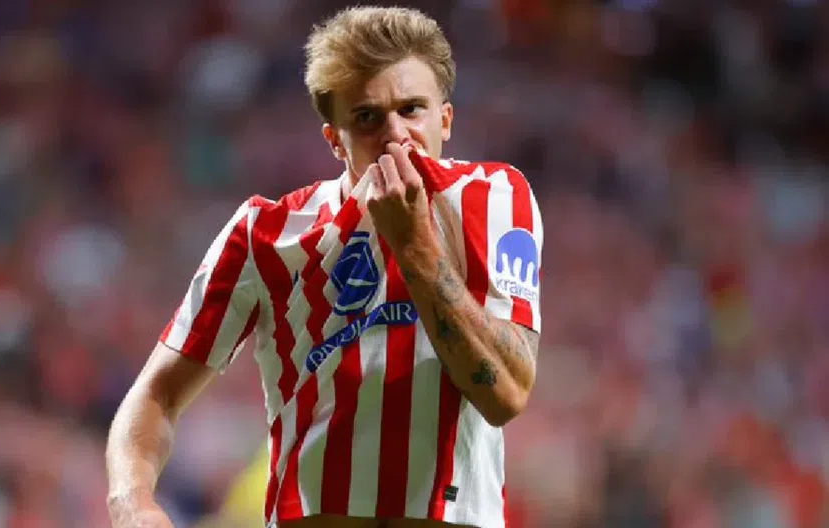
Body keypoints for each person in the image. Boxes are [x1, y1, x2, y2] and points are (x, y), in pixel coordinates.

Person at [106, 6, 543, 528]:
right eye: (367, 117)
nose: (396, 135)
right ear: (334, 139)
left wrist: (414, 247)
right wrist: (132, 503)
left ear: (445, 119)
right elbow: (156, 392)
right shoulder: (265, 234)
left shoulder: (494, 198)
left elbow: (506, 394)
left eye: (412, 109)